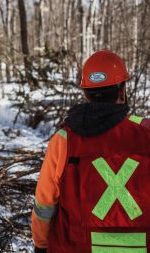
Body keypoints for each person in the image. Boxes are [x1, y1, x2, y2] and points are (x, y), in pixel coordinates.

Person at [31, 49, 150, 253]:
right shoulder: (146, 133)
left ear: (86, 93)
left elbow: (45, 204)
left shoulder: (64, 140)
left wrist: (41, 244)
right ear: (122, 91)